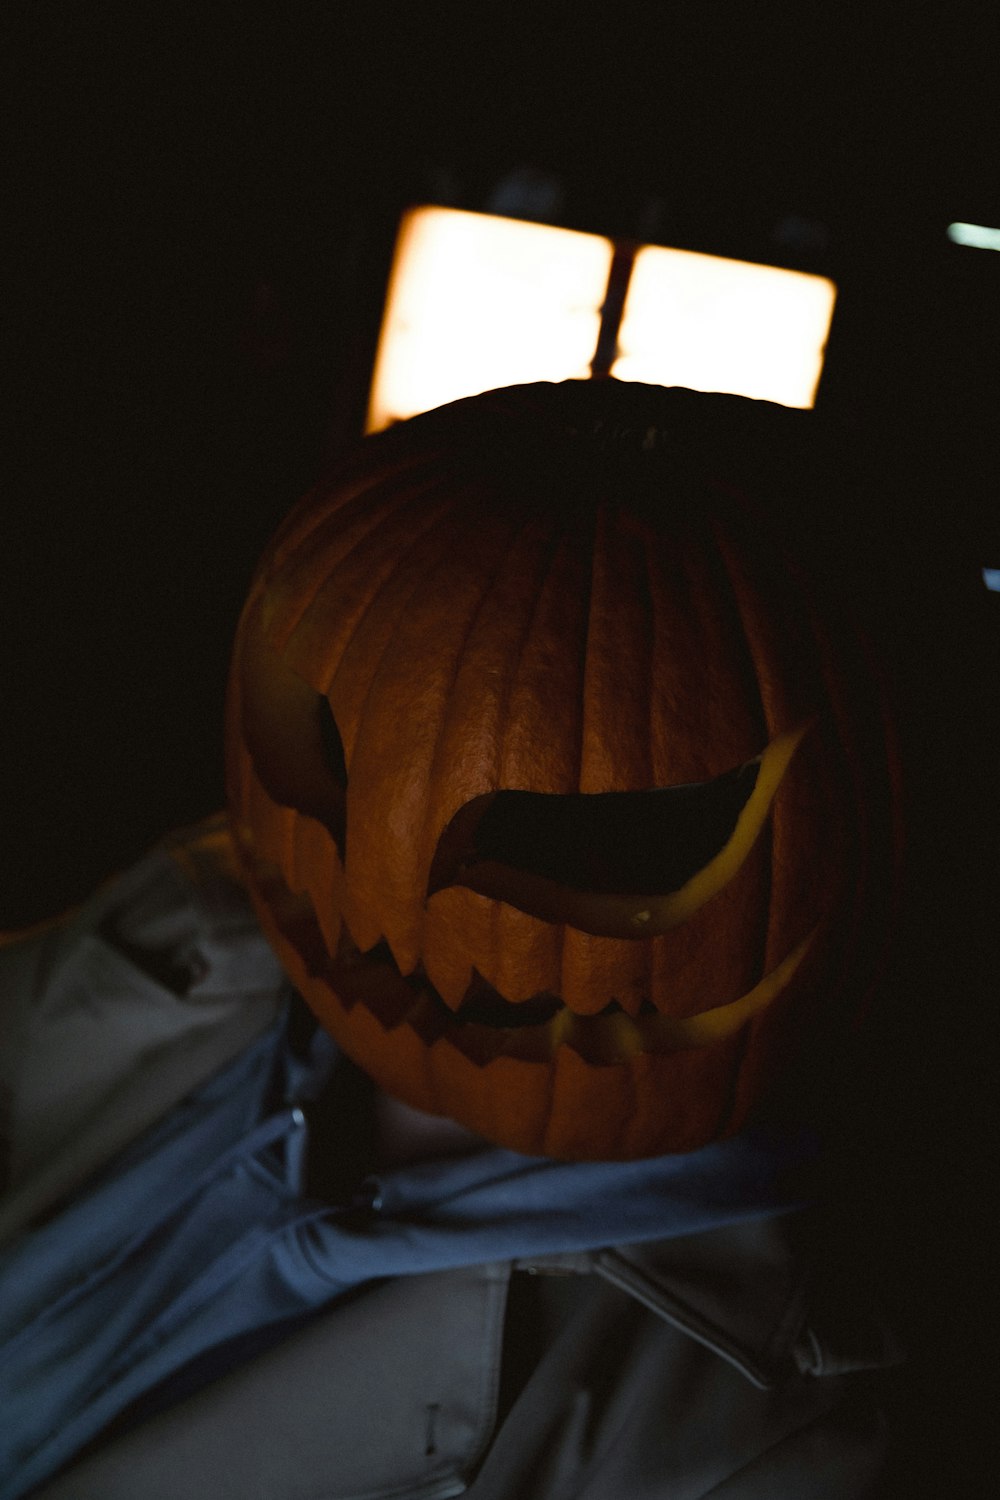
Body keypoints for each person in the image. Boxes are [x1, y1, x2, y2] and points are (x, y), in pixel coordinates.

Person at [1, 380, 912, 1498]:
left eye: (605, 837)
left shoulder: (752, 1453)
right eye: (327, 764)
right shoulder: (220, 898)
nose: (393, 893)